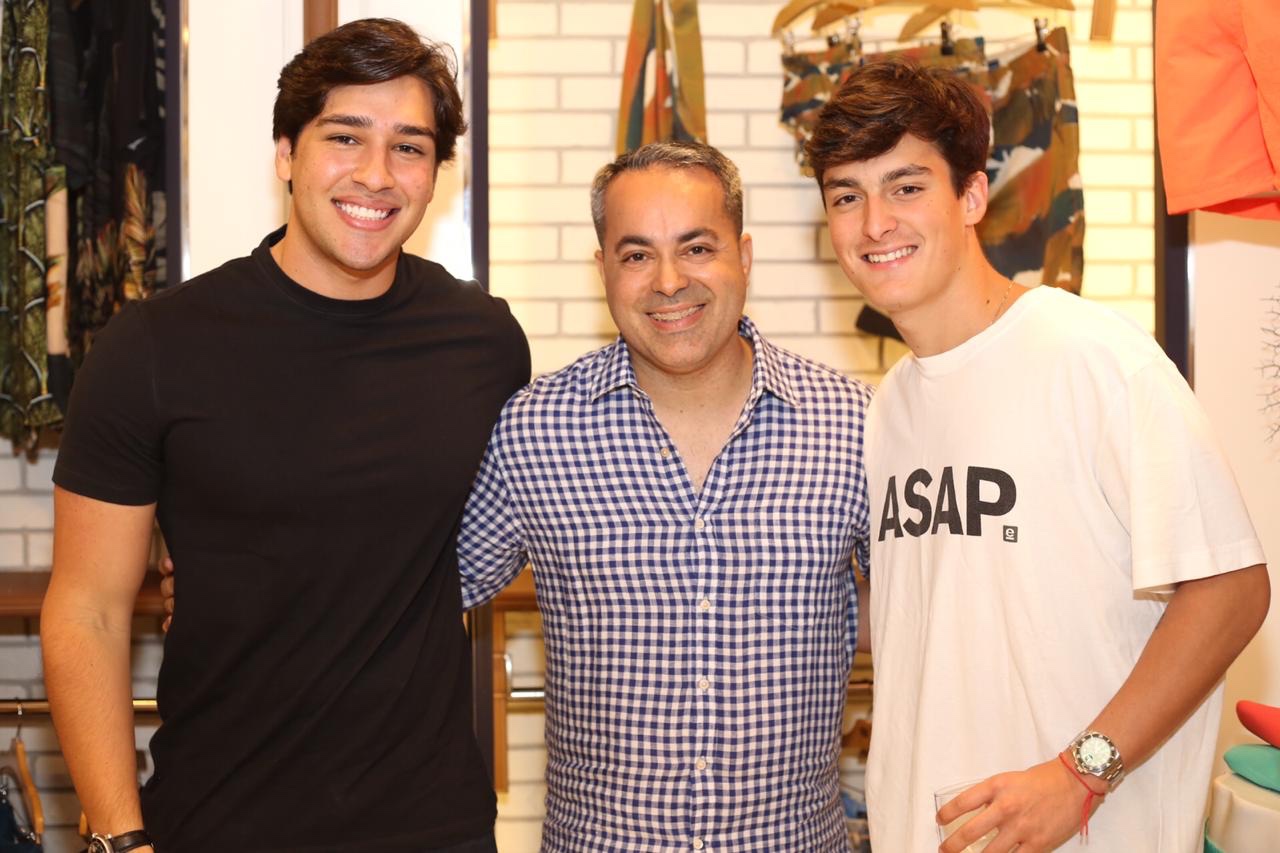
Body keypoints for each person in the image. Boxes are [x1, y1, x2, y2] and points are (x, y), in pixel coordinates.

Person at [40, 18, 528, 853]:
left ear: (435, 174)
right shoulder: (155, 345)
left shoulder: (484, 343)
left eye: (409, 147)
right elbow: (87, 609)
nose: (376, 173)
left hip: (431, 826)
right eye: (345, 136)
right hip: (220, 819)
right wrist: (121, 838)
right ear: (286, 153)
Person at [806, 59, 1271, 852]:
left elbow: (1231, 589)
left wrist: (1079, 773)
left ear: (972, 196)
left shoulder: (1092, 357)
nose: (875, 222)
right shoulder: (889, 408)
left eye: (906, 186)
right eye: (847, 196)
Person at [457, 141, 873, 850]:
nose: (669, 281)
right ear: (603, 270)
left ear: (744, 256)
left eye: (697, 248)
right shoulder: (534, 429)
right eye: (637, 255)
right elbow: (416, 601)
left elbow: (932, 616)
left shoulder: (852, 424)